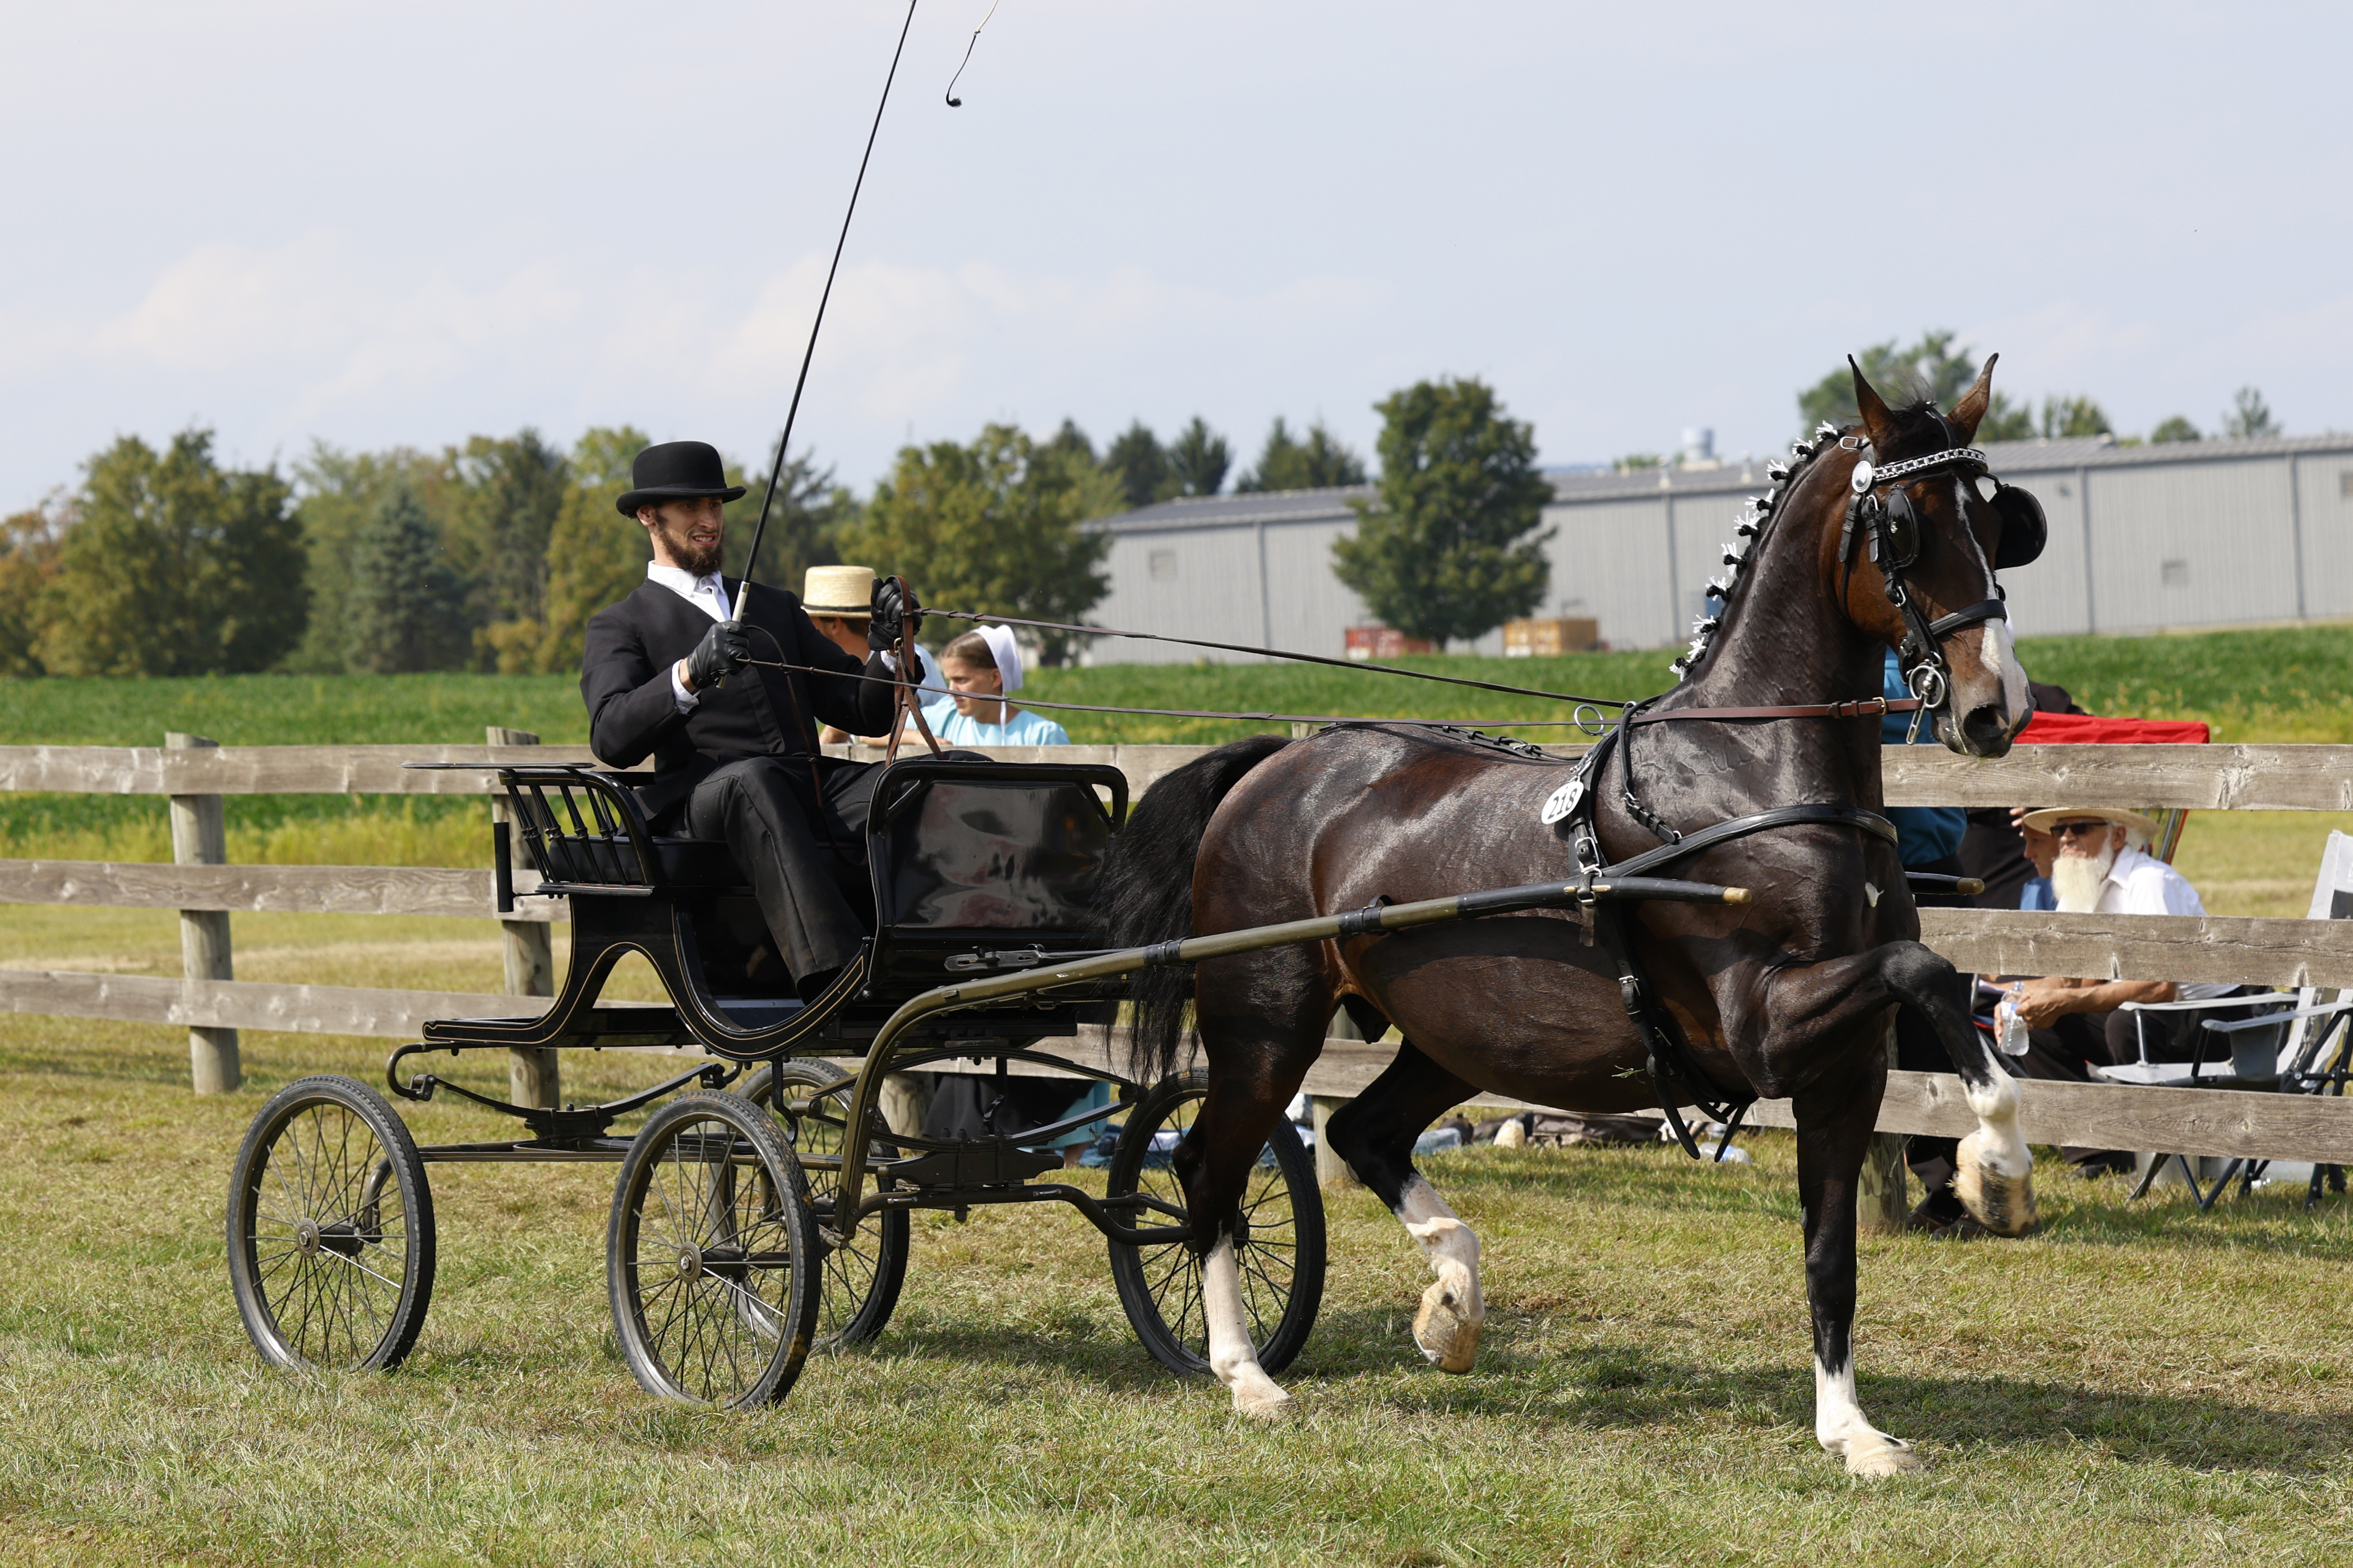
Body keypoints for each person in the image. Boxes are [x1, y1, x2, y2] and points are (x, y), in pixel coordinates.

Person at [578, 440, 938, 1002]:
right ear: (649, 516)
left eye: (715, 506)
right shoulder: (622, 624)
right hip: (704, 799)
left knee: (940, 778)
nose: (708, 520)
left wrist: (889, 650)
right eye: (692, 507)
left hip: (804, 785)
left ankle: (956, 952)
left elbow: (857, 708)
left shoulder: (773, 607)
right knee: (752, 781)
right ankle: (836, 972)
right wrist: (690, 674)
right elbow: (612, 735)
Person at [2005, 805, 2259, 1175]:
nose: (2066, 838)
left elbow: (2159, 986)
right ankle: (2099, 1154)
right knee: (2041, 1023)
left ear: (2118, 836)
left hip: (2218, 1025)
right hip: (2161, 1020)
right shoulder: (2083, 880)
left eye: (2080, 827)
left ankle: (2158, 1154)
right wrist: (2018, 1000)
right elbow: (2075, 979)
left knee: (2123, 1024)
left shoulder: (2150, 881)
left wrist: (2065, 999)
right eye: (2060, 830)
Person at [800, 565, 947, 747]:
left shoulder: (904, 656)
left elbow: (887, 712)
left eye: (811, 622)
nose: (806, 630)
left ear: (834, 624)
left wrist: (836, 729)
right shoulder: (875, 660)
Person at [917, 626, 1072, 746]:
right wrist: (921, 738)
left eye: (961, 680)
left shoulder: (1040, 735)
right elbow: (893, 734)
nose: (951, 692)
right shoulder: (945, 716)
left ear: (995, 678)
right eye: (949, 680)